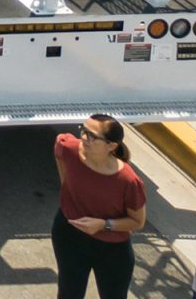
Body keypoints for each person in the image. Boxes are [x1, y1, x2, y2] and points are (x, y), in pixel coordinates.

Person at [52, 113, 147, 299]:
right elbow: (59, 148)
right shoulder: (69, 148)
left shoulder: (128, 181)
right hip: (69, 236)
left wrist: (103, 225)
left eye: (92, 136)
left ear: (111, 146)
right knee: (68, 293)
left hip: (111, 249)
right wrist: (67, 186)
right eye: (83, 130)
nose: (84, 138)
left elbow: (137, 221)